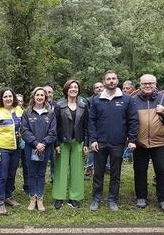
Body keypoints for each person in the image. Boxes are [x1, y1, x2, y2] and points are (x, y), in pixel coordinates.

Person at [88, 70, 138, 211]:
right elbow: (91, 121)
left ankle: (112, 200)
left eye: (113, 78)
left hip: (118, 142)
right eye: (108, 79)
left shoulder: (127, 99)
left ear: (117, 80)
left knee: (115, 173)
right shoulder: (96, 100)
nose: (111, 81)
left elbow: (133, 120)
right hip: (100, 143)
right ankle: (96, 199)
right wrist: (93, 139)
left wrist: (132, 139)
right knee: (98, 173)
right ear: (104, 82)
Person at [134, 74, 164, 213]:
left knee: (162, 171)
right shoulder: (133, 100)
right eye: (145, 83)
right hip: (140, 143)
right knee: (139, 171)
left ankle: (163, 199)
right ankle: (141, 197)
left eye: (150, 83)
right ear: (140, 85)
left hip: (160, 142)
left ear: (155, 84)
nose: (147, 85)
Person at [53, 80, 88, 209]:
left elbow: (86, 126)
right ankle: (59, 197)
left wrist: (86, 143)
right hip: (62, 142)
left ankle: (74, 198)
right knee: (61, 170)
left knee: (77, 171)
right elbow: (54, 126)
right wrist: (56, 143)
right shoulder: (59, 105)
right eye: (71, 87)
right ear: (66, 89)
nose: (73, 89)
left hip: (78, 141)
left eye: (76, 87)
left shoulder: (84, 105)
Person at [21, 87, 57, 211]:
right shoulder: (27, 112)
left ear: (45, 97)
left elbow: (53, 132)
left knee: (41, 173)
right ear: (33, 97)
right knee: (31, 173)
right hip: (30, 148)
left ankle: (40, 199)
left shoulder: (51, 113)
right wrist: (36, 143)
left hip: (45, 149)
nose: (40, 97)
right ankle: (32, 198)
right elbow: (24, 131)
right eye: (38, 95)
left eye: (42, 95)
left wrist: (43, 143)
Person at [0, 87, 23, 215]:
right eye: (5, 96)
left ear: (13, 97)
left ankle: (8, 196)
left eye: (10, 96)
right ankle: (0, 201)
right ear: (1, 99)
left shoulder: (19, 110)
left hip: (16, 149)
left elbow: (25, 128)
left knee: (11, 174)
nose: (8, 99)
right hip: (3, 149)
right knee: (2, 176)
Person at [84, 80, 103, 178]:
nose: (99, 88)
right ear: (94, 90)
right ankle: (89, 167)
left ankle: (105, 167)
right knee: (92, 147)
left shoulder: (107, 98)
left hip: (104, 127)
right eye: (97, 87)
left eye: (101, 86)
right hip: (92, 126)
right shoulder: (89, 100)